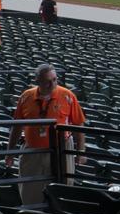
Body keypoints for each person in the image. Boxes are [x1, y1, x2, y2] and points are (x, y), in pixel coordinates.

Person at [6, 64, 87, 206]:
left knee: (63, 189)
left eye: (55, 79)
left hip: (60, 149)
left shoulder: (67, 95)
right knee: (29, 190)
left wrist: (81, 152)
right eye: (47, 81)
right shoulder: (26, 97)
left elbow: (78, 124)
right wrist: (10, 152)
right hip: (32, 149)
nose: (52, 84)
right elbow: (17, 126)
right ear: (38, 81)